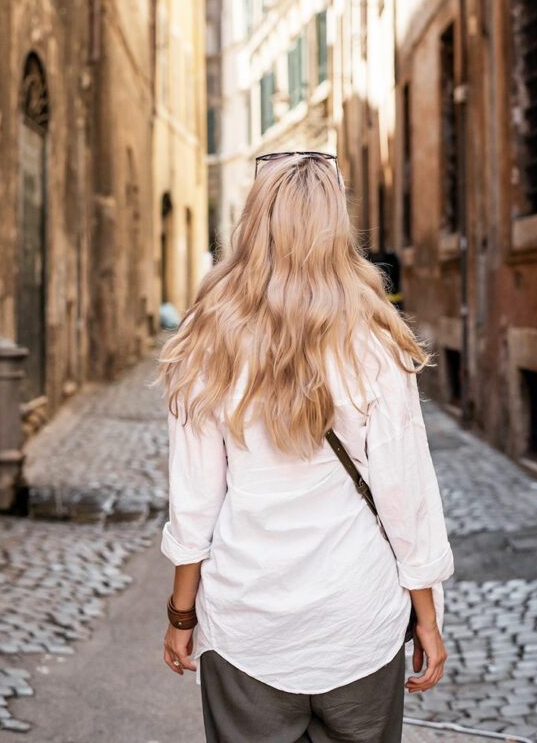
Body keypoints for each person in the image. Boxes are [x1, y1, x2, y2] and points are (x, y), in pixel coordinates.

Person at [157, 151, 454, 743]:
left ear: (253, 223)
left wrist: (181, 615)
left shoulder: (205, 340)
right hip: (357, 623)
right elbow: (405, 498)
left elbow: (194, 505)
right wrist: (427, 615)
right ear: (335, 227)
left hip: (248, 628)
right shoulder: (376, 343)